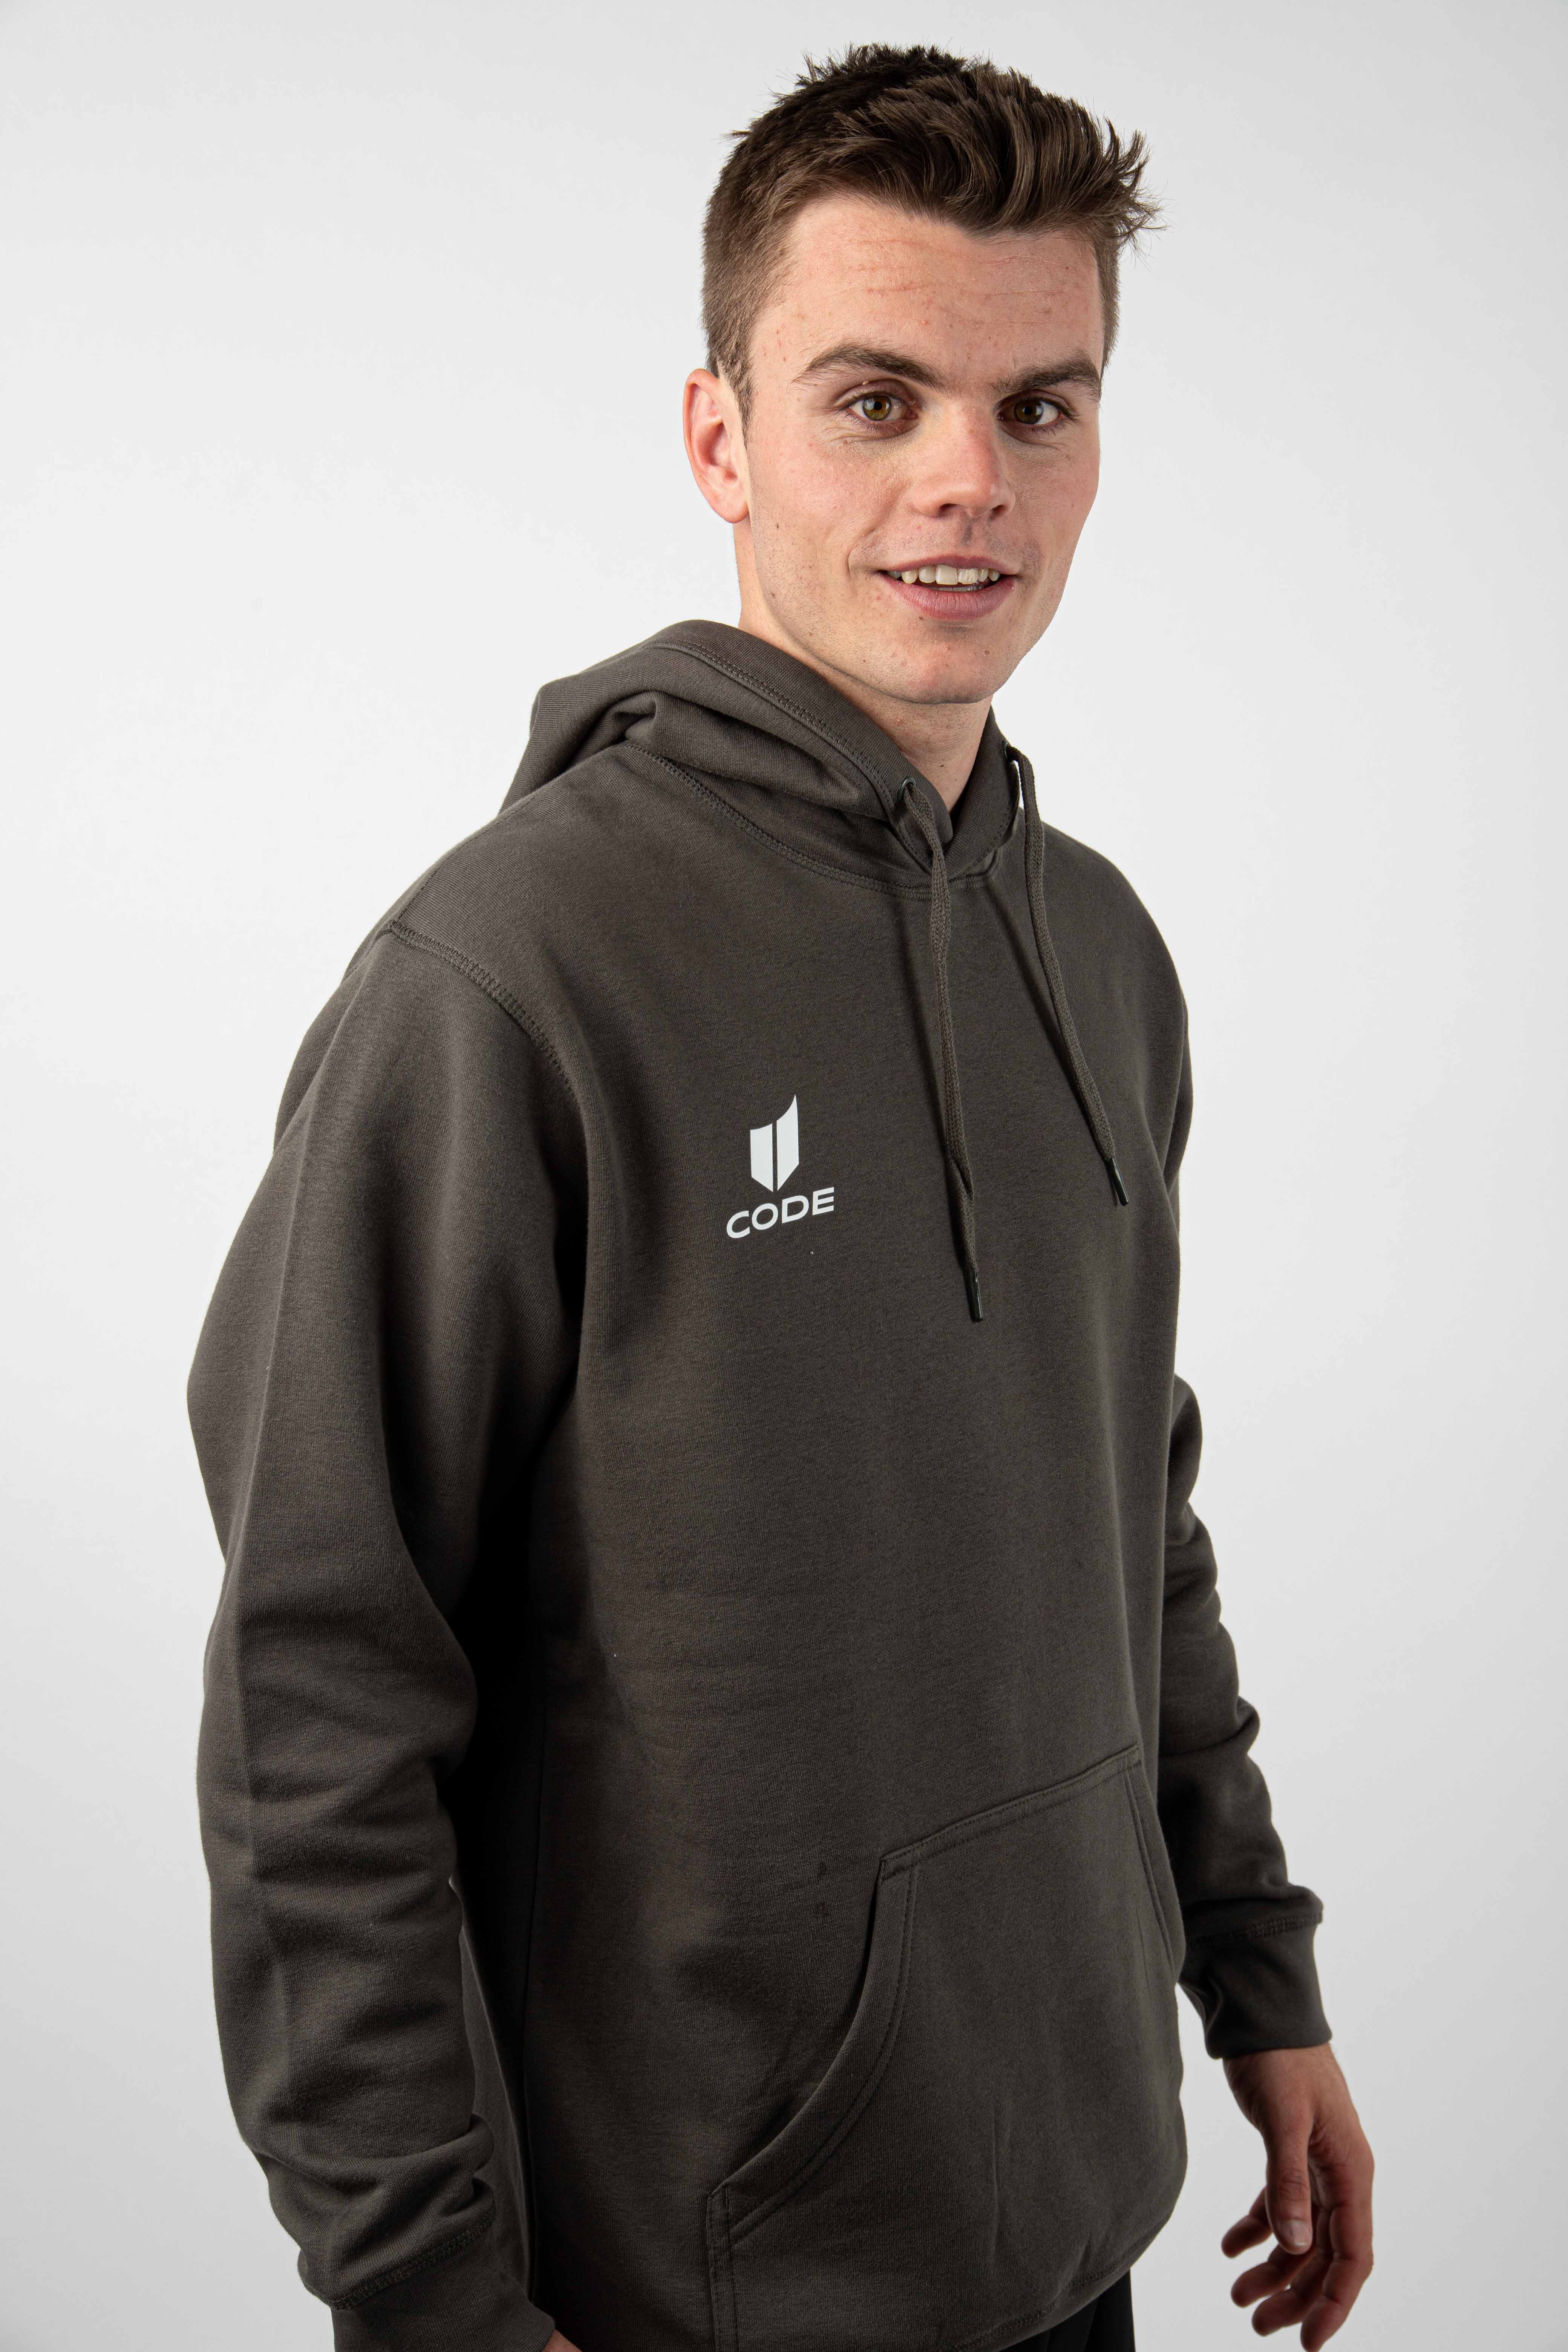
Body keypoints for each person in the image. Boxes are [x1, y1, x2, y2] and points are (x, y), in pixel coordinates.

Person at [190, 43, 1374, 2352]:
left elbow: (1125, 1510)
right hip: (695, 2282)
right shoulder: (508, 978)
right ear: (721, 438)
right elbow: (318, 1692)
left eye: (1041, 406)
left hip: (1077, 2226)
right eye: (875, 399)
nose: (968, 480)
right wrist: (427, 2298)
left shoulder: (1101, 952)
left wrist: (1260, 1976)